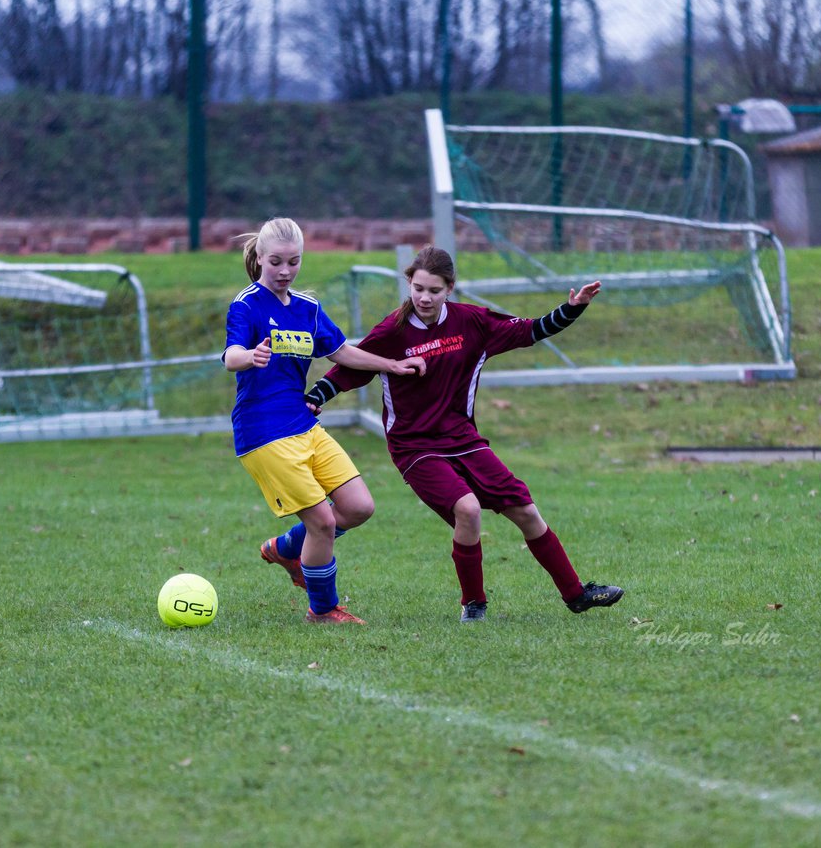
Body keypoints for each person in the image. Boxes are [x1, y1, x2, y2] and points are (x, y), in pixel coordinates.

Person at [268, 244, 622, 622]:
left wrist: (573, 307)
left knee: (526, 511)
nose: (424, 297)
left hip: (464, 440)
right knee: (467, 509)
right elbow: (352, 365)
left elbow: (532, 331)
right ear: (409, 284)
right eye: (418, 288)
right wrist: (318, 396)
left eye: (434, 290)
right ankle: (474, 605)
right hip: (414, 447)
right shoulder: (393, 331)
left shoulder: (472, 322)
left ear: (450, 288)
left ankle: (576, 595)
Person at [223, 218, 426, 625]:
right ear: (259, 258)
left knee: (358, 507)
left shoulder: (308, 309)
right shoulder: (245, 305)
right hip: (263, 432)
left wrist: (392, 365)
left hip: (303, 424)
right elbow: (230, 355)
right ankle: (323, 610)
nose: (284, 271)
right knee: (323, 522)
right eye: (276, 262)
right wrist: (250, 356)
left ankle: (285, 549)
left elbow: (342, 352)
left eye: (293, 262)